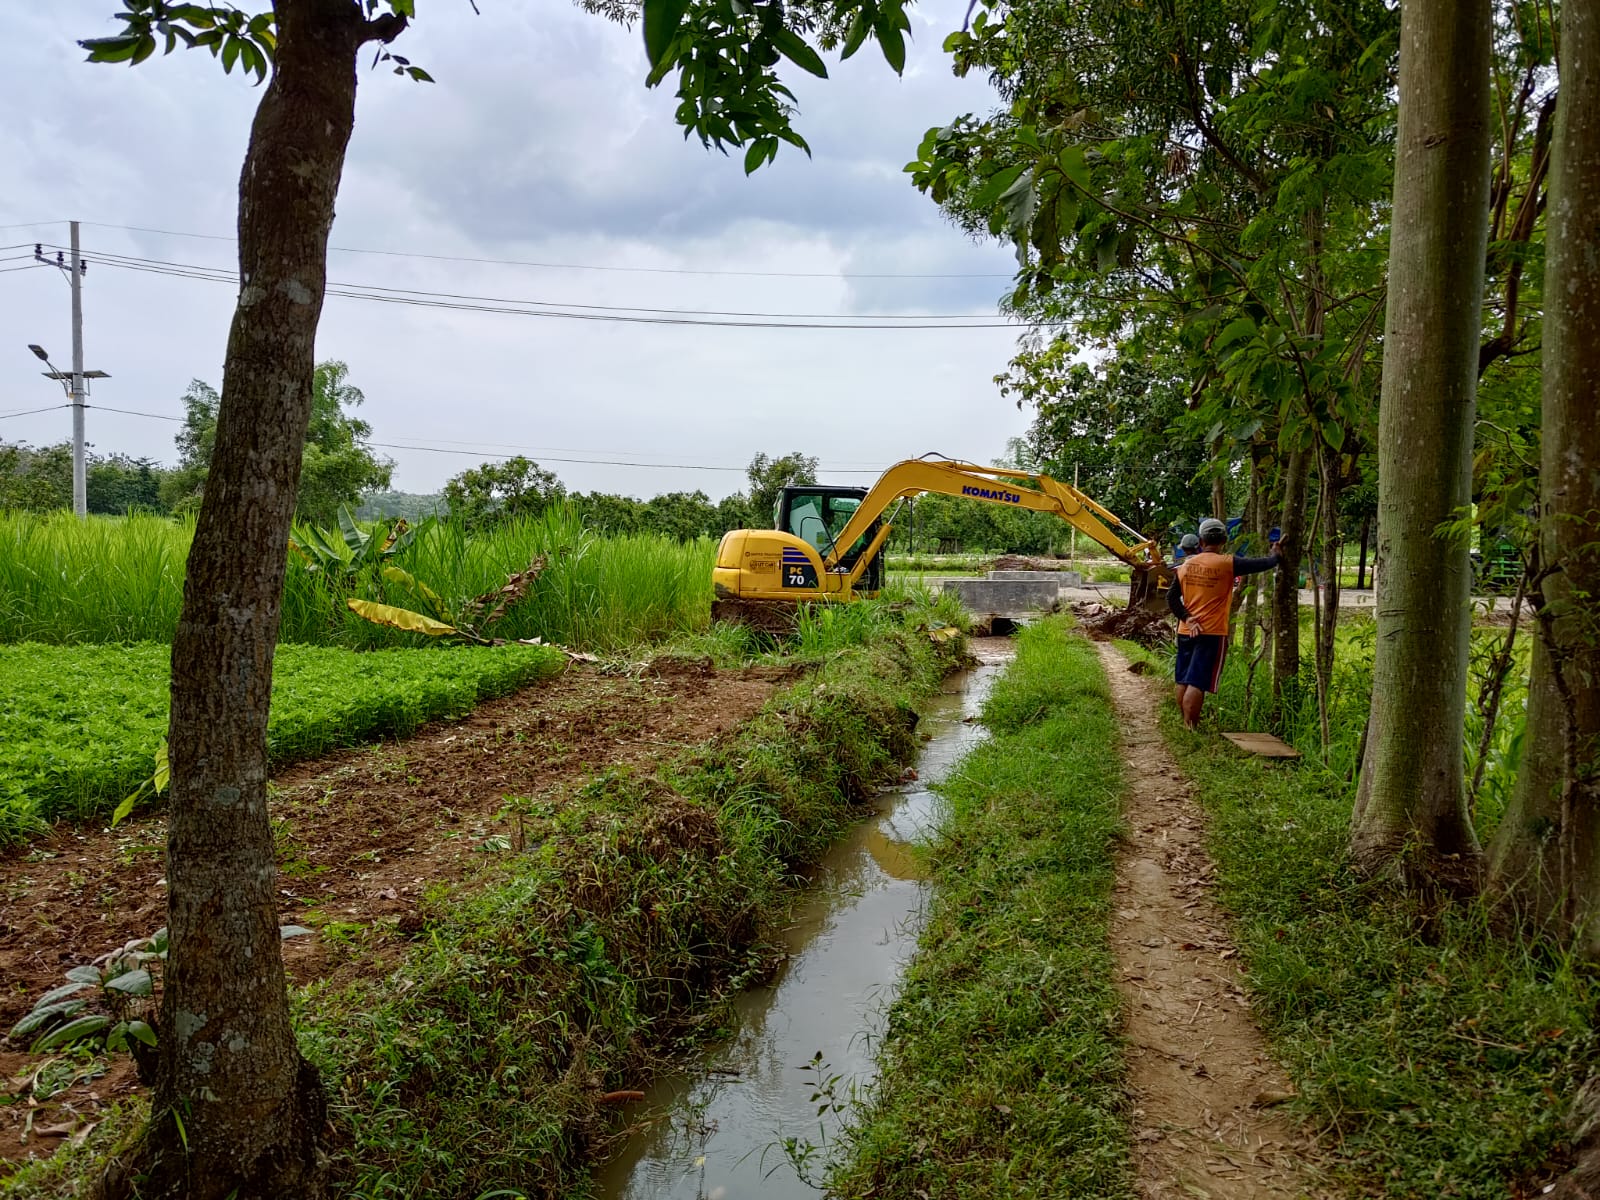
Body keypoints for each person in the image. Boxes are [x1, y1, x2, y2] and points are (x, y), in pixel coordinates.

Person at [1166, 517, 1282, 729]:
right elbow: (1263, 564)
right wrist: (1275, 554)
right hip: (1211, 632)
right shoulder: (1228, 563)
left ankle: (1183, 723)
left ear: (1201, 542)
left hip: (1186, 631)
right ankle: (1190, 727)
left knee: (1183, 678)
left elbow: (1172, 598)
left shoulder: (1185, 565)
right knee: (1197, 681)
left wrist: (1188, 618)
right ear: (1223, 541)